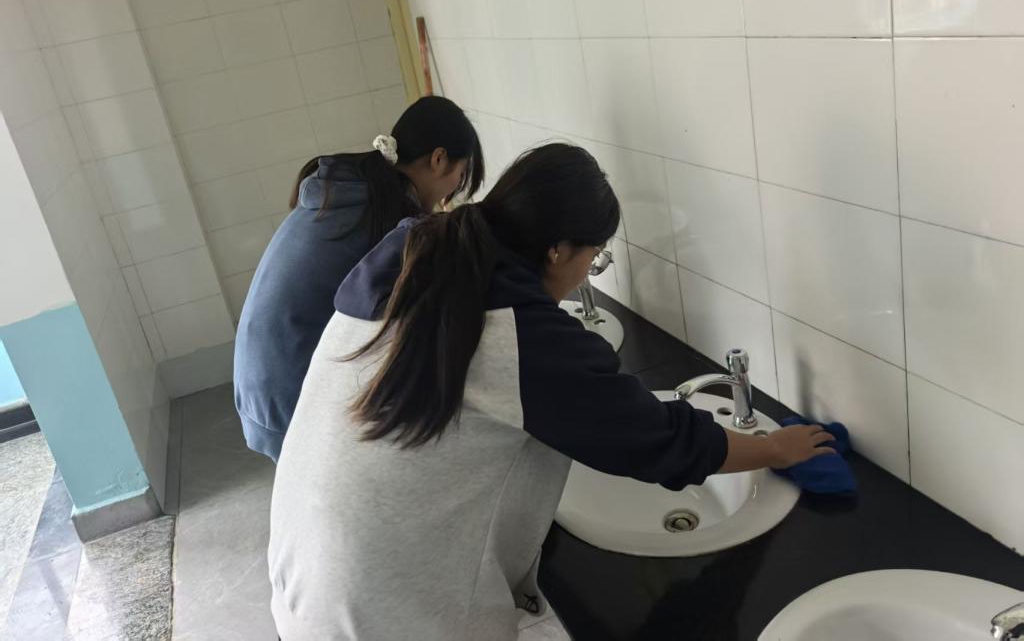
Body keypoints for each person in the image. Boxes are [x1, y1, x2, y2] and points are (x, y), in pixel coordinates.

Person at [267, 144, 834, 640]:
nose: (588, 273)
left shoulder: (415, 251)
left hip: (307, 572)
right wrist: (774, 448)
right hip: (387, 610)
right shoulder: (516, 335)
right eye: (593, 255)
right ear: (558, 249)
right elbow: (656, 439)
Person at [234, 96, 484, 462]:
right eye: (460, 176)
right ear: (438, 159)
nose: (452, 194)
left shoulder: (354, 189)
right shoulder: (382, 218)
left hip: (259, 381)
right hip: (287, 392)